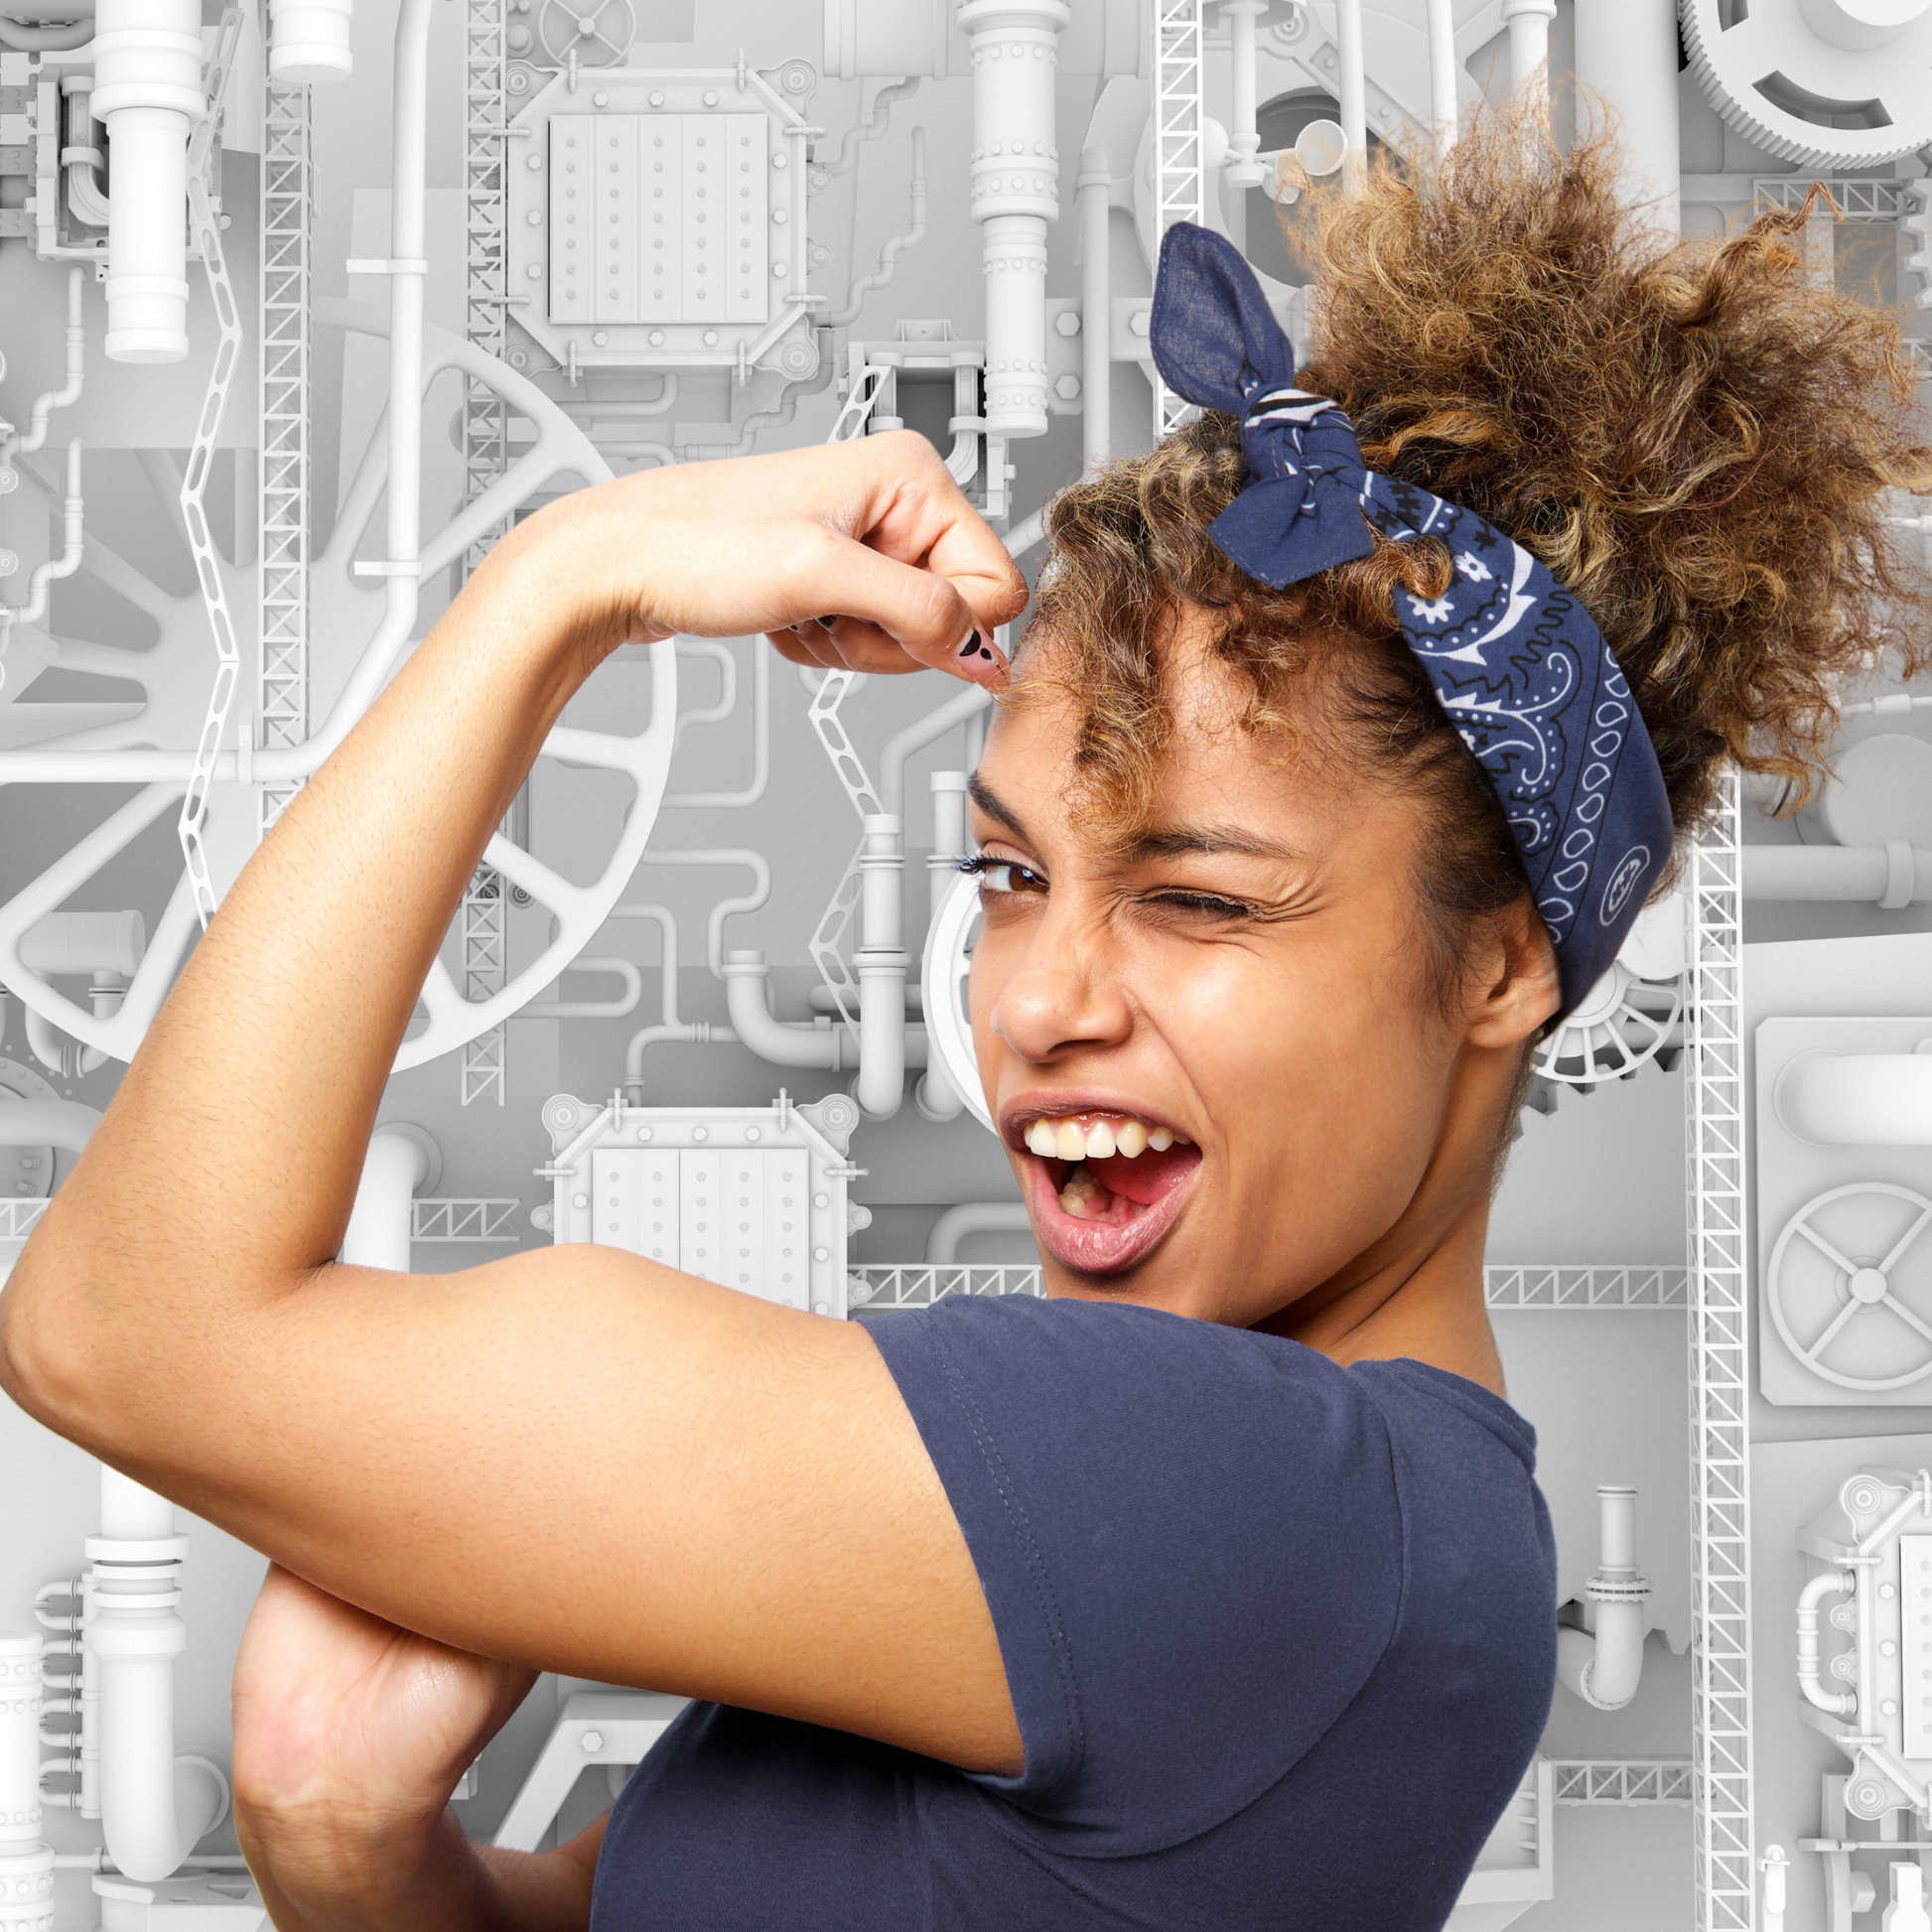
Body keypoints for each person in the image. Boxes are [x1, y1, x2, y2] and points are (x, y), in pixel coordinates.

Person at [2, 122, 1926, 1932]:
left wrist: (555, 584)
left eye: (1195, 897)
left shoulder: (1261, 1511)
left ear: (1505, 960)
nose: (1043, 1004)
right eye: (1011, 878)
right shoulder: (1369, 1556)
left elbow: (120, 1324)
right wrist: (348, 1835)